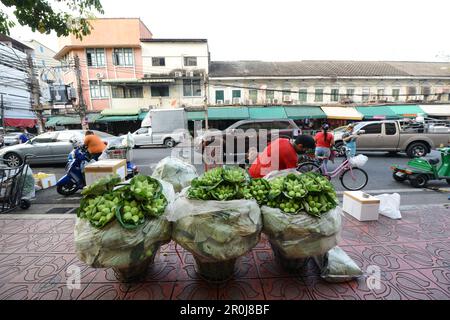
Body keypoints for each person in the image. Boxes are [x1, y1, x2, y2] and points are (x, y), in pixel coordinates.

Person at [249, 135, 316, 178]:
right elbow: (292, 175)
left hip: (253, 168)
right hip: (261, 176)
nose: (305, 152)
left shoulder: (281, 140)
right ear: (300, 146)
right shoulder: (291, 155)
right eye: (306, 149)